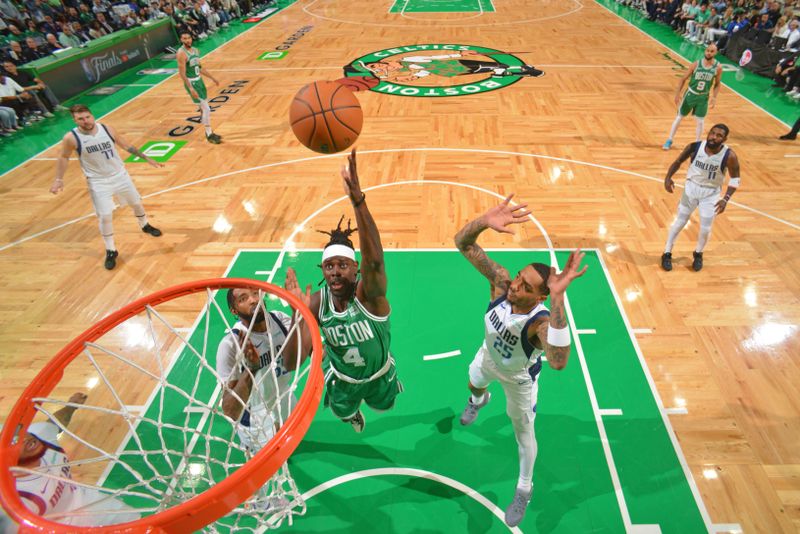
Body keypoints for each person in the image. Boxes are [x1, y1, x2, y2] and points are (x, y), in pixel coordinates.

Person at [454, 195, 587, 527]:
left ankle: (524, 488)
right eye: (517, 277)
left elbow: (558, 361)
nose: (514, 286)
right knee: (473, 382)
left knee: (523, 433)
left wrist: (558, 299)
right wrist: (484, 222)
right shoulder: (501, 285)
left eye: (525, 287)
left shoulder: (540, 323)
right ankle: (479, 400)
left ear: (540, 297)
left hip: (519, 380)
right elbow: (462, 243)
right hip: (488, 357)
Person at [293, 149, 402, 434]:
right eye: (328, 266)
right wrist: (299, 316)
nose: (335, 271)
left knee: (385, 406)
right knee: (344, 412)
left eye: (342, 265)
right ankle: (352, 415)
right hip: (341, 379)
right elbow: (297, 357)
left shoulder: (370, 297)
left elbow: (376, 261)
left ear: (356, 269)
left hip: (378, 375)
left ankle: (368, 403)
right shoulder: (317, 303)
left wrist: (358, 201)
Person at [49, 104, 163, 270]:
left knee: (136, 203)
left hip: (120, 175)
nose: (85, 121)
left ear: (92, 115)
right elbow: (64, 157)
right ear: (75, 120)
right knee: (105, 215)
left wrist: (146, 157)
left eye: (87, 117)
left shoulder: (106, 128)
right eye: (80, 118)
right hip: (98, 181)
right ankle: (111, 249)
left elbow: (126, 145)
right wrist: (58, 179)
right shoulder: (71, 138)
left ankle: (145, 224)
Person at [12, 392, 140, 526]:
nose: (25, 438)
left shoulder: (40, 435)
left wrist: (71, 406)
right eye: (13, 442)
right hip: (61, 528)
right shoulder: (19, 497)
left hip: (88, 501)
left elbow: (55, 423)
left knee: (139, 524)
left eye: (19, 431)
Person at [215, 280, 311, 452]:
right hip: (255, 414)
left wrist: (299, 315)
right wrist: (251, 368)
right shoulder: (230, 345)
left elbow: (296, 360)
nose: (253, 300)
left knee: (288, 446)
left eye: (254, 293)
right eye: (243, 298)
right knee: (270, 462)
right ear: (233, 310)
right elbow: (229, 409)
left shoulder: (280, 319)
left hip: (284, 396)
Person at [661, 124, 740, 272]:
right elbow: (678, 162)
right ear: (708, 133)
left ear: (724, 139)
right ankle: (666, 252)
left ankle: (698, 253)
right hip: (691, 189)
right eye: (712, 133)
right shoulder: (694, 147)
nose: (714, 137)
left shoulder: (729, 156)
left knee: (705, 228)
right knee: (680, 221)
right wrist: (668, 178)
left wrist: (725, 199)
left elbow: (735, 179)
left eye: (719, 135)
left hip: (711, 195)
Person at [663, 43, 723, 150]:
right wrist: (677, 94)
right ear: (705, 51)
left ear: (716, 53)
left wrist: (714, 97)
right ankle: (669, 139)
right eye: (707, 50)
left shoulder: (718, 67)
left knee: (700, 121)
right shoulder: (696, 64)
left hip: (703, 97)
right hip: (690, 95)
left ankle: (697, 144)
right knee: (679, 117)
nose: (709, 53)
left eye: (712, 51)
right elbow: (683, 79)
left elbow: (717, 83)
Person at [176, 31, 221, 144]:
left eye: (189, 38)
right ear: (181, 40)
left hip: (199, 81)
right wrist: (190, 88)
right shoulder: (181, 53)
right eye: (185, 38)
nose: (188, 40)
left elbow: (199, 68)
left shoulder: (196, 50)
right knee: (207, 109)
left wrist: (212, 78)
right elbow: (182, 74)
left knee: (203, 108)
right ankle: (209, 133)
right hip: (192, 83)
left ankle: (206, 127)